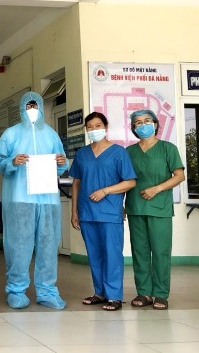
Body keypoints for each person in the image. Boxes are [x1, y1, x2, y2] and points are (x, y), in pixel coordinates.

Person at [0, 91, 69, 310]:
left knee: (48, 244)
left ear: (42, 108)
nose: (32, 110)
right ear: (21, 109)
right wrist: (12, 161)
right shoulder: (11, 134)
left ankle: (47, 291)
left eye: (35, 106)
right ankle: (16, 290)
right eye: (28, 106)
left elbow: (61, 162)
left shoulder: (52, 134)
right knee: (19, 245)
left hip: (47, 199)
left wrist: (62, 162)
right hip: (20, 198)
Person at [69, 112, 136, 311]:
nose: (93, 130)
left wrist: (106, 190)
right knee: (94, 254)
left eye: (98, 125)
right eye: (89, 127)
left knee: (112, 254)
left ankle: (114, 296)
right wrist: (74, 212)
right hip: (87, 212)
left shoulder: (119, 152)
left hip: (109, 213)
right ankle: (100, 293)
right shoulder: (82, 153)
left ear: (105, 127)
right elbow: (76, 183)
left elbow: (130, 182)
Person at [125, 109, 185, 310]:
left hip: (160, 208)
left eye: (147, 121)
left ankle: (160, 294)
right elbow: (124, 180)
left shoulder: (168, 148)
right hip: (135, 207)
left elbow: (179, 176)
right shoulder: (129, 152)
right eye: (138, 122)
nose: (143, 125)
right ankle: (144, 292)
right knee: (139, 252)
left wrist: (157, 189)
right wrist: (121, 206)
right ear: (133, 128)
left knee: (160, 252)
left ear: (156, 124)